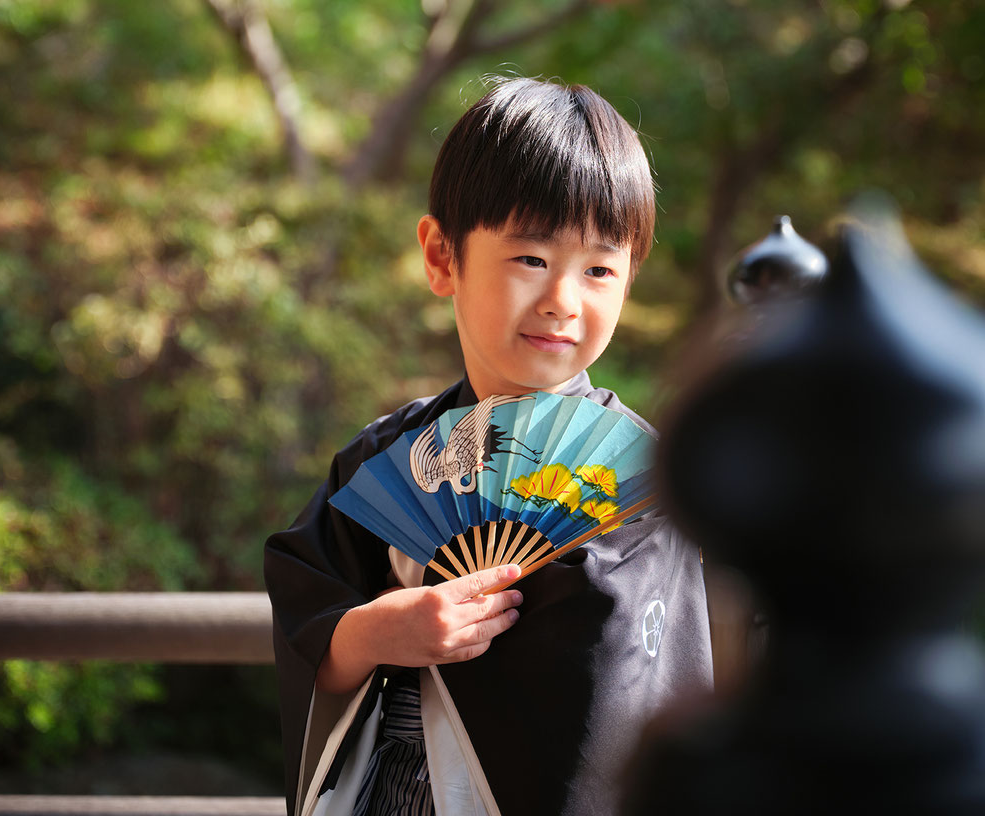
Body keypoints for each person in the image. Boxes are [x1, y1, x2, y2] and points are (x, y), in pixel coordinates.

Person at [265, 78, 713, 816]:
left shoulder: (646, 480)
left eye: (600, 268)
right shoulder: (386, 460)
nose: (563, 300)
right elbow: (312, 622)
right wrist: (377, 631)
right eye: (531, 259)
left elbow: (645, 693)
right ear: (442, 256)